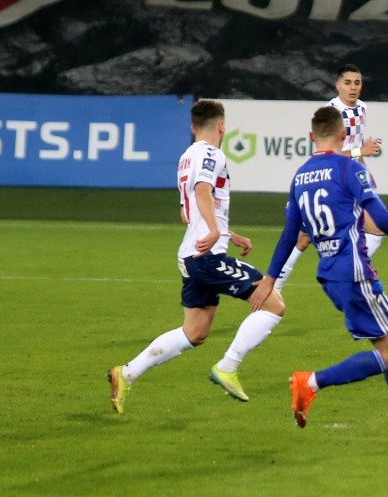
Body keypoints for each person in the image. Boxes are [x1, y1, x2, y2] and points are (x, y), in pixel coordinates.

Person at [249, 106, 388, 450]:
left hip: (331, 276)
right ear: (342, 136)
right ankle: (311, 382)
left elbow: (291, 233)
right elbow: (381, 217)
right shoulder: (348, 168)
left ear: (310, 138)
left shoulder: (300, 176)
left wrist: (270, 279)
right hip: (354, 273)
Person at [107, 99, 285, 414]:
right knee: (273, 302)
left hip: (192, 253)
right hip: (206, 256)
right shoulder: (211, 154)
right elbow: (203, 191)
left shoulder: (186, 157)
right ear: (221, 126)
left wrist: (227, 233)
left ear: (192, 127)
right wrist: (216, 232)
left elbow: (186, 213)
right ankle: (228, 367)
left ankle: (126, 373)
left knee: (195, 332)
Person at [274, 63, 384, 290]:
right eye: (348, 83)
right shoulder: (330, 113)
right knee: (302, 239)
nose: (353, 87)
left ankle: (352, 268)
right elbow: (326, 153)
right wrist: (360, 152)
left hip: (350, 178)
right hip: (328, 179)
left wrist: (364, 171)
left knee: (377, 227)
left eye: (357, 82)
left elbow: (354, 146)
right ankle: (275, 284)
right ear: (337, 85)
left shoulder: (362, 109)